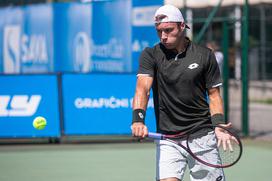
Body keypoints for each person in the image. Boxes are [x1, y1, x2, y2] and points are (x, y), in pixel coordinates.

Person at [131, 4, 232, 181]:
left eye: (168, 30)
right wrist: (138, 120)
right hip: (168, 139)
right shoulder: (150, 55)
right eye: (159, 31)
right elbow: (143, 88)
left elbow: (214, 95)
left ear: (182, 26)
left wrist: (219, 125)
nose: (163, 36)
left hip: (202, 137)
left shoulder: (205, 55)